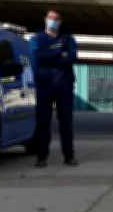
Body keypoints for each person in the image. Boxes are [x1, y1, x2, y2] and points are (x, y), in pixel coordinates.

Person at [31, 10, 78, 167]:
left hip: (64, 85)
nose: (54, 21)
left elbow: (72, 57)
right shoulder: (36, 39)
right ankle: (41, 157)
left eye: (57, 19)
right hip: (44, 85)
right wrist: (59, 55)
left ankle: (69, 156)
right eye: (51, 18)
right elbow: (39, 58)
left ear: (61, 21)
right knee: (42, 122)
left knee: (66, 122)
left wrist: (51, 56)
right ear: (45, 19)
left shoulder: (68, 38)